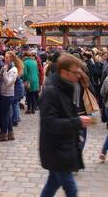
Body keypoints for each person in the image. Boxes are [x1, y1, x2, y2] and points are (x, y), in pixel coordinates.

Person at [39, 53, 94, 197]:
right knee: (71, 190)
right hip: (56, 149)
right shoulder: (51, 92)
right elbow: (49, 123)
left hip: (63, 147)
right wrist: (78, 122)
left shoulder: (66, 88)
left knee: (52, 184)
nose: (79, 76)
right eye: (76, 73)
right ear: (64, 72)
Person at [0, 51, 20, 141]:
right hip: (4, 93)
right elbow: (3, 79)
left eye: (7, 57)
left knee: (4, 115)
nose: (5, 59)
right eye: (5, 57)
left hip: (8, 95)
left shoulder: (14, 70)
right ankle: (10, 134)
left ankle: (3, 134)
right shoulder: (7, 67)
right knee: (7, 115)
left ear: (12, 59)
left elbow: (8, 83)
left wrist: (5, 72)